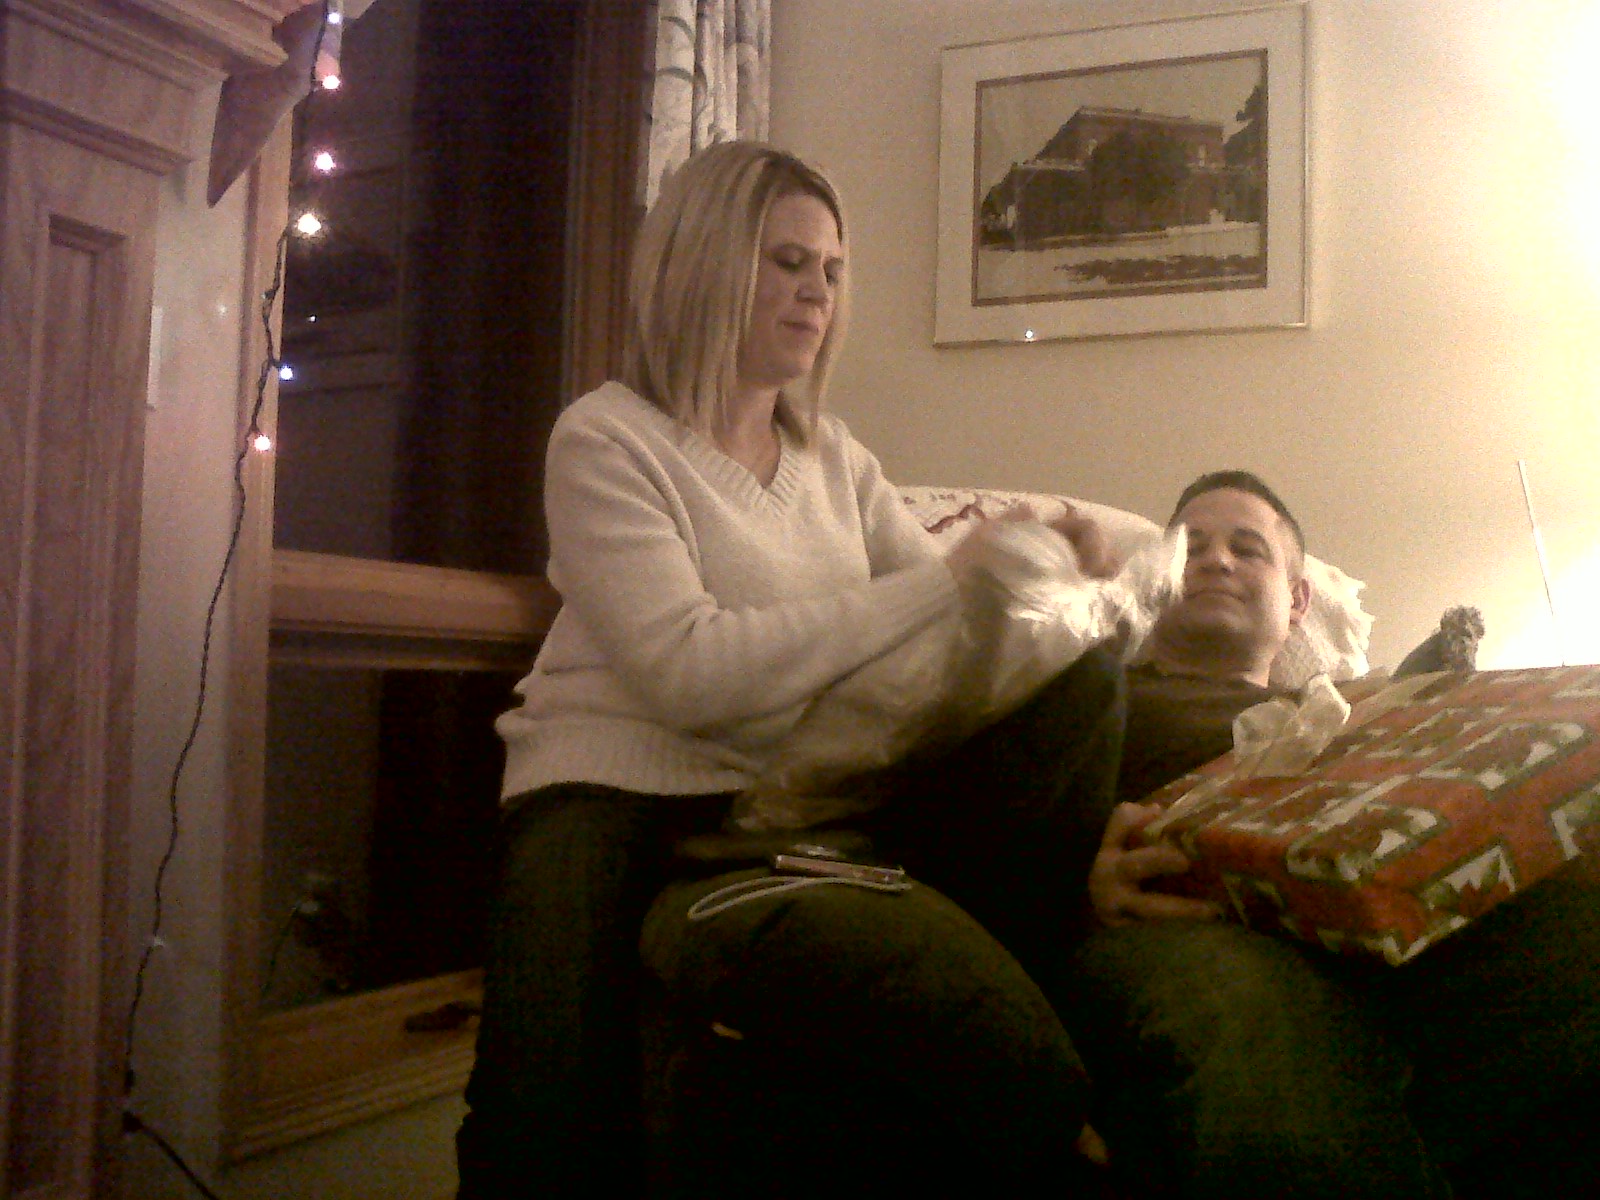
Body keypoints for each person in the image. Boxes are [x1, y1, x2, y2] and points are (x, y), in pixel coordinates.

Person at [455, 140, 1123, 1198]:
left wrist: (1048, 581)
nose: (818, 292)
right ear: (704, 263)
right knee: (546, 1123)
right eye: (788, 262)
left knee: (1086, 681)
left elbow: (937, 636)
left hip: (784, 798)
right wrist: (948, 582)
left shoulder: (836, 459)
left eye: (832, 270)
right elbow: (688, 672)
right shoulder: (606, 439)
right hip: (611, 792)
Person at [1057, 469, 1600, 1200]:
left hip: (1388, 934)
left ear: (1298, 601)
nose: (1215, 560)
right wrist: (1079, 894)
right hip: (1183, 927)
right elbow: (994, 827)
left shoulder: (1364, 708)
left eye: (1247, 548)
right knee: (1242, 1001)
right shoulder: (1096, 684)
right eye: (1191, 546)